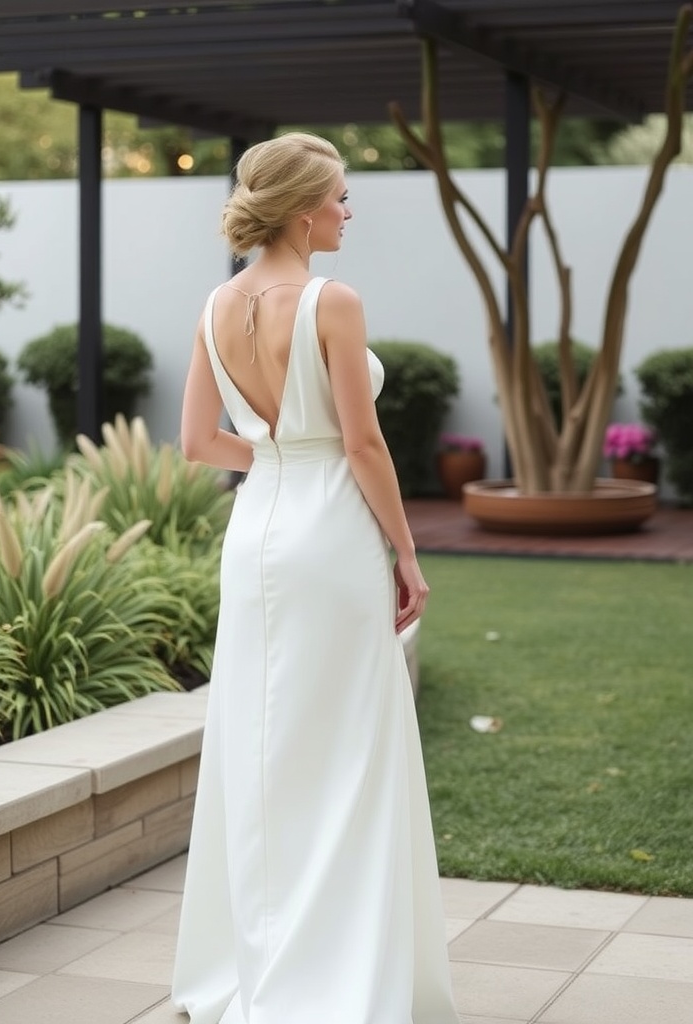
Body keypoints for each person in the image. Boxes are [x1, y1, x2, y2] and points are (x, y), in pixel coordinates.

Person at [172, 131, 460, 1024]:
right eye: (339, 196)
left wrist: (280, 460)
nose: (347, 210)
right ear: (303, 210)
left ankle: (253, 965)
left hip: (257, 528)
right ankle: (339, 973)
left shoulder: (217, 304)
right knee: (348, 747)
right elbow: (365, 443)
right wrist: (406, 551)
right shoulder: (333, 300)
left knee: (261, 743)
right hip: (330, 535)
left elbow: (197, 445)